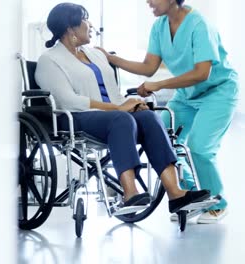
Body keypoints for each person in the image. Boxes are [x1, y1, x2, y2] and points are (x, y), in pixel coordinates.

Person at [35, 2, 211, 214]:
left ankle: (175, 193)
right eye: (85, 19)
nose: (90, 24)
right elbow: (67, 100)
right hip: (75, 118)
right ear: (70, 28)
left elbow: (115, 93)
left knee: (147, 116)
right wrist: (118, 109)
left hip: (111, 117)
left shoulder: (96, 54)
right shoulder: (49, 60)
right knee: (122, 119)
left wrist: (133, 104)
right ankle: (130, 194)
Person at [97, 0, 237, 223]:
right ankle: (190, 197)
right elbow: (148, 67)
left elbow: (202, 73)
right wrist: (112, 59)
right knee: (164, 141)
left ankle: (217, 203)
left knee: (199, 148)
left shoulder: (200, 25)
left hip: (217, 92)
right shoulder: (160, 26)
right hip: (185, 95)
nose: (148, 1)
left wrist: (159, 85)